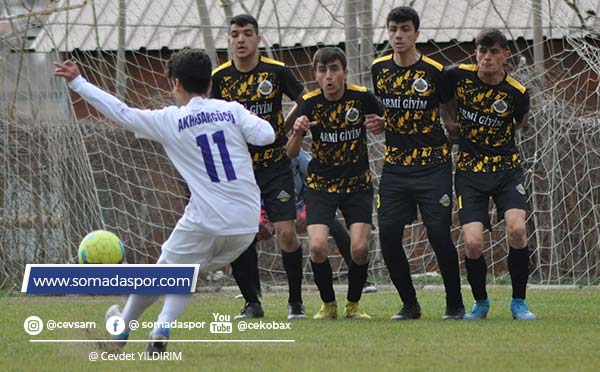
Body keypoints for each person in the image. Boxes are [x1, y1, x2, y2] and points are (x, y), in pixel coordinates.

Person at [53, 49, 275, 352]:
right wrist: (243, 117)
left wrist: (79, 83)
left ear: (176, 85)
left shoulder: (171, 120)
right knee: (182, 273)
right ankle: (160, 327)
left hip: (207, 220)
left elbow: (122, 113)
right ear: (209, 85)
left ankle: (121, 331)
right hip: (246, 225)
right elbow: (267, 136)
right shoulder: (233, 110)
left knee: (164, 274)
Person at [369, 6, 464, 320]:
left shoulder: (435, 71)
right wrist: (382, 121)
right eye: (393, 29)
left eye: (405, 29)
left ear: (416, 34)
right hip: (395, 167)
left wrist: (454, 139)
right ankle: (410, 304)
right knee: (388, 235)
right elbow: (385, 109)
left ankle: (455, 304)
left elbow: (450, 114)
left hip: (433, 167)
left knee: (438, 234)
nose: (399, 35)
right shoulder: (378, 68)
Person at [211, 14, 307, 320]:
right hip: (238, 171)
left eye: (247, 33)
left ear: (258, 39)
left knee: (287, 234)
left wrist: (286, 128)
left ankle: (295, 302)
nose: (241, 39)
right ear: (229, 40)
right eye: (235, 34)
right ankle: (252, 302)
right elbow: (210, 117)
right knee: (240, 236)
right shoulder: (220, 77)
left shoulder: (276, 72)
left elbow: (304, 99)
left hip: (275, 166)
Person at [445, 28, 536, 320]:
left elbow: (520, 123)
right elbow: (439, 93)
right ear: (476, 53)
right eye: (482, 51)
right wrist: (450, 123)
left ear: (505, 55)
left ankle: (519, 302)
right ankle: (480, 303)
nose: (487, 57)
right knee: (472, 242)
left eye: (494, 52)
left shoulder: (517, 92)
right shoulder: (457, 75)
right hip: (470, 172)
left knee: (517, 230)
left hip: (506, 170)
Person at [286, 47, 383, 319]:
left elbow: (385, 122)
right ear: (315, 74)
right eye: (322, 70)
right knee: (317, 247)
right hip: (320, 186)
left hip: (357, 185)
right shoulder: (309, 103)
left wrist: (382, 124)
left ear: (344, 73)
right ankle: (328, 304)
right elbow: (291, 153)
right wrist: (298, 132)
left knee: (360, 248)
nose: (328, 76)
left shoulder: (362, 98)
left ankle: (353, 305)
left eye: (334, 69)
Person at [259, 148, 378, 293]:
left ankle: (361, 280)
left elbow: (315, 177)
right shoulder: (252, 157)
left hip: (303, 205)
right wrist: (260, 214)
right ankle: (253, 293)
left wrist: (308, 207)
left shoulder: (294, 152)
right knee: (247, 237)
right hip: (271, 209)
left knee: (335, 227)